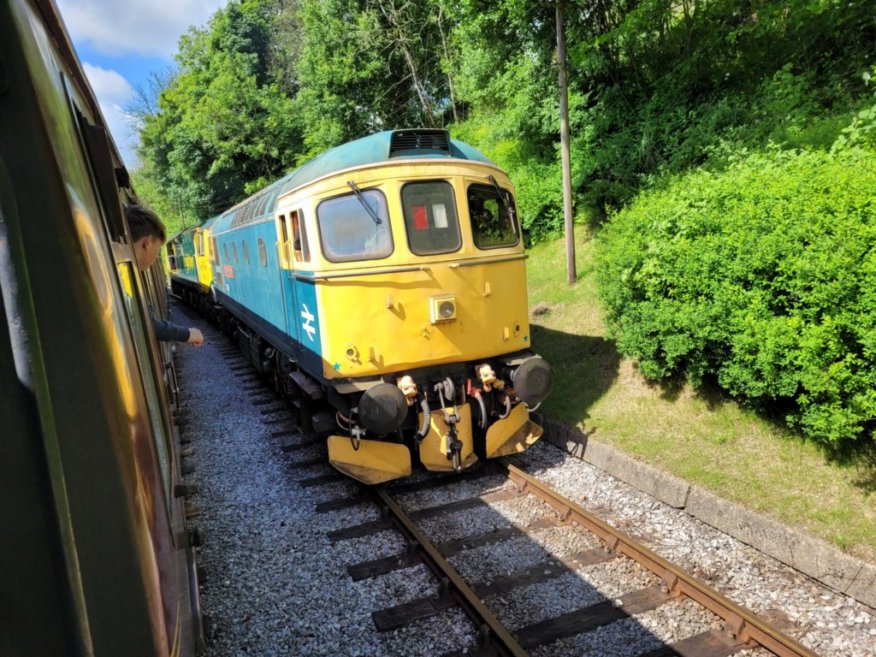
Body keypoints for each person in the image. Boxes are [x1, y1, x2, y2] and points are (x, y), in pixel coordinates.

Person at [125, 204, 204, 347]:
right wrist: (187, 334)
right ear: (147, 243)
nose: (157, 257)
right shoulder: (123, 276)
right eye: (158, 248)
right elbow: (146, 324)